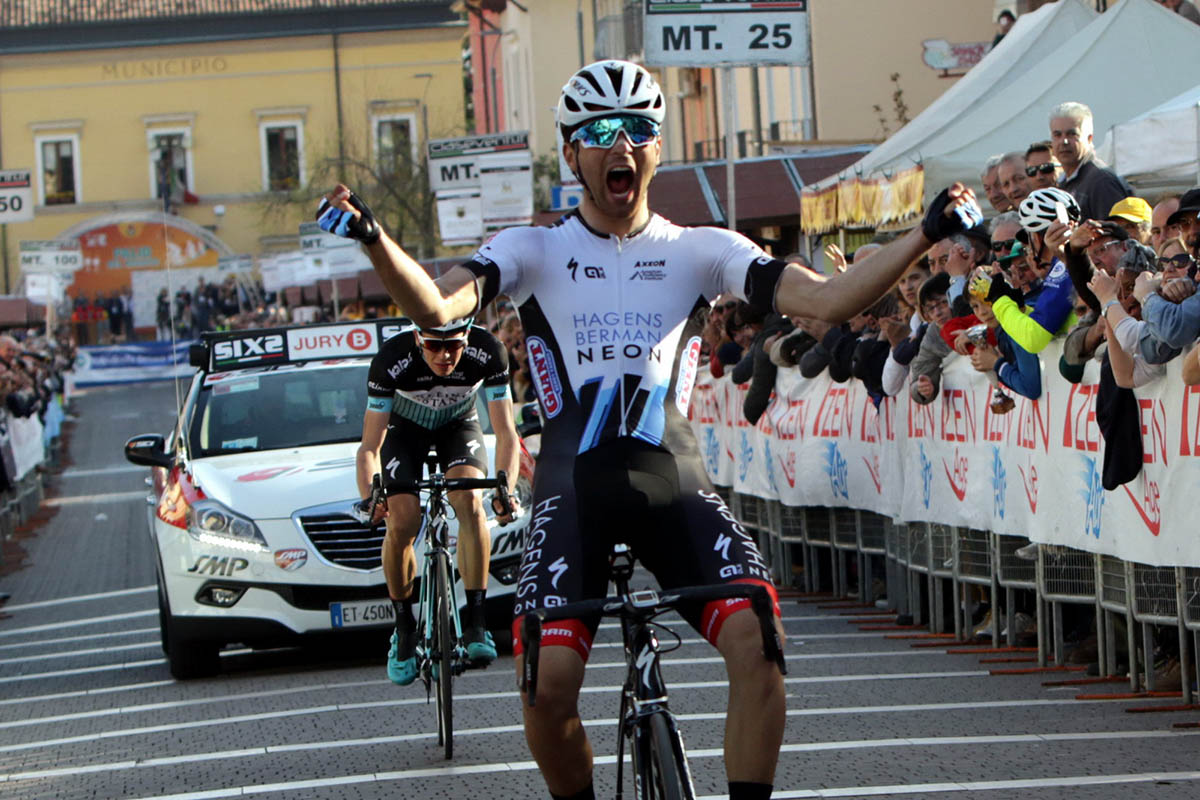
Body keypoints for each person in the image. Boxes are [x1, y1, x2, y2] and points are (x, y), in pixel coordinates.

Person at [318, 59, 981, 800]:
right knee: (548, 681)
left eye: (638, 130)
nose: (620, 145)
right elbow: (440, 312)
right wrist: (375, 239)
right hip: (574, 487)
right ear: (572, 154)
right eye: (600, 132)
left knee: (760, 641)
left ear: (657, 148)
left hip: (673, 478)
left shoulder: (702, 249)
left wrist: (926, 233)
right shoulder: (533, 249)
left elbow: (827, 303)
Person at [355, 316, 522, 685]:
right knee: (403, 520)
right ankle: (404, 628)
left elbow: (507, 433)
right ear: (417, 338)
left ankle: (476, 625)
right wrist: (370, 495)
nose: (445, 355)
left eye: (454, 346)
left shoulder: (488, 351)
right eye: (433, 345)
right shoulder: (391, 358)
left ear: (467, 339)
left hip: (458, 426)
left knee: (469, 500)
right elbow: (370, 446)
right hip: (404, 432)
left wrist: (504, 490)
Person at [1050, 101, 1133, 221]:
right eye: (1057, 135)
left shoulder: (1102, 181)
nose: (1064, 141)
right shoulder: (1064, 182)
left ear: (1089, 138)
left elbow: (1113, 235)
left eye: (1072, 134)